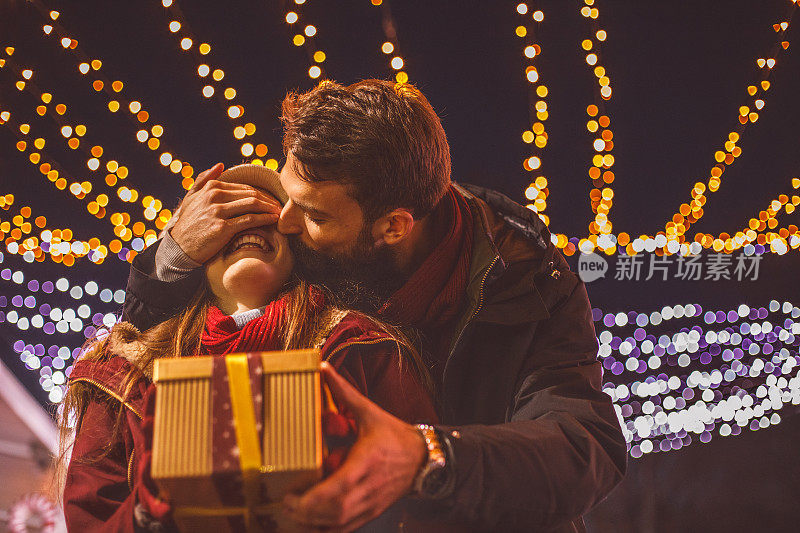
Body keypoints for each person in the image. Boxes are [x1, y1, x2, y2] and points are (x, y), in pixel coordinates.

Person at [123, 79, 628, 532]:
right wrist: (172, 255)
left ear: (393, 226)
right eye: (287, 193)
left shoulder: (527, 280)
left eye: (315, 214)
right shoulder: (302, 244)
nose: (286, 222)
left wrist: (427, 458)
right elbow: (148, 346)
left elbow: (584, 445)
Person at [54, 164, 438, 532]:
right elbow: (92, 519)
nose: (249, 224)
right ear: (194, 252)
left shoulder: (361, 348)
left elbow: (425, 498)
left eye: (266, 214)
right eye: (227, 218)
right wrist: (149, 513)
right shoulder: (123, 375)